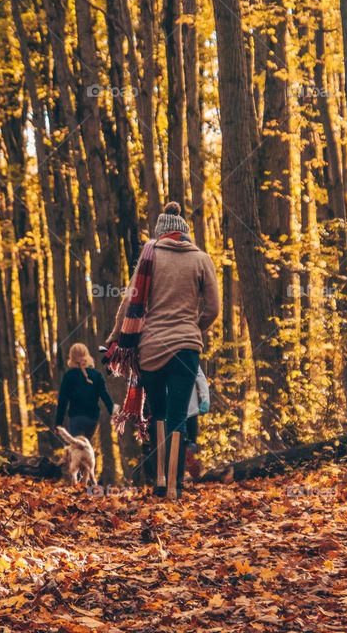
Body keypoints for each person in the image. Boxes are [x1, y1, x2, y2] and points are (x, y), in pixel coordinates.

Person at [105, 202, 220, 498]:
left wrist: (115, 338)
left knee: (158, 413)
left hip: (151, 349)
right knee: (179, 416)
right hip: (186, 348)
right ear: (184, 233)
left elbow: (129, 304)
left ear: (161, 233)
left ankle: (159, 481)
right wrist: (193, 327)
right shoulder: (202, 259)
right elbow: (214, 308)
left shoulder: (149, 256)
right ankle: (174, 487)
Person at [54, 343, 114, 440]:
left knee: (78, 447)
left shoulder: (69, 376)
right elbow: (105, 396)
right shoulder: (96, 375)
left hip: (76, 418)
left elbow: (62, 401)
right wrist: (113, 413)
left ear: (71, 357)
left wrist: (58, 423)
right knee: (85, 445)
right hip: (92, 419)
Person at [185, 366, 210, 480]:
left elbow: (200, 376)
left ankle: (190, 477)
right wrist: (205, 399)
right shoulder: (189, 350)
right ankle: (183, 477)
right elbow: (200, 377)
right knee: (189, 447)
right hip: (186, 412)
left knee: (189, 447)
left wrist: (205, 399)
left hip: (188, 412)